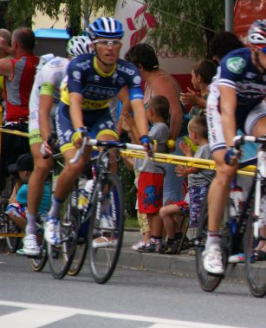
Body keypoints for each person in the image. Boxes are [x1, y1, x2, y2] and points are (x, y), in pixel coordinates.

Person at [44, 16, 153, 246]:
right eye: (104, 42)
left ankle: (103, 207)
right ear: (93, 46)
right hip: (70, 115)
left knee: (109, 152)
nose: (110, 48)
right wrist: (79, 130)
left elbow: (136, 106)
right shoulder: (79, 65)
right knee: (75, 163)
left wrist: (144, 137)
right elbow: (73, 102)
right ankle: (53, 215)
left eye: (115, 43)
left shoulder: (127, 71)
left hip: (100, 115)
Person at [201, 19, 266, 275]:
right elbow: (228, 110)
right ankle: (213, 242)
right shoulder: (235, 62)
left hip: (253, 107)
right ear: (254, 49)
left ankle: (264, 182)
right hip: (222, 109)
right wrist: (231, 147)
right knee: (227, 168)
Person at [20, 35, 92, 256]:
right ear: (70, 59)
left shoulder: (91, 73)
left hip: (66, 113)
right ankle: (30, 230)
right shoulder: (54, 71)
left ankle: (77, 196)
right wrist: (47, 138)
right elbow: (43, 111)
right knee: (42, 163)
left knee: (80, 159)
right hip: (41, 111)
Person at [125, 43, 186, 205]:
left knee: (169, 190)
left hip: (173, 142)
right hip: (160, 142)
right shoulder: (151, 82)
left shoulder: (161, 82)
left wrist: (169, 142)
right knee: (162, 190)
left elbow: (177, 113)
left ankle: (173, 231)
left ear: (140, 66)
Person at [159, 116, 213, 254]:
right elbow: (195, 165)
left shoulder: (206, 149)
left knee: (198, 218)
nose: (189, 136)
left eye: (189, 133)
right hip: (193, 193)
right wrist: (189, 154)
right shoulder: (202, 149)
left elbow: (196, 167)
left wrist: (186, 171)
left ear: (194, 134)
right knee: (164, 211)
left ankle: (201, 244)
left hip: (201, 192)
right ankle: (175, 239)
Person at [128, 96, 169, 252]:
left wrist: (133, 126)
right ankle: (153, 238)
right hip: (146, 171)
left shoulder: (160, 128)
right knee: (147, 208)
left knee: (153, 206)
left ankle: (156, 238)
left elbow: (144, 145)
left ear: (151, 111)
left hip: (153, 171)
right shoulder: (155, 128)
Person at [0, 28, 38, 192]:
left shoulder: (12, 65)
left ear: (15, 44)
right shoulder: (40, 63)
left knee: (6, 170)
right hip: (35, 127)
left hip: (14, 127)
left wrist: (6, 51)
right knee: (30, 172)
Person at [5, 154, 51, 245]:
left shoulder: (26, 188)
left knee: (11, 209)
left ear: (26, 173)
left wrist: (17, 184)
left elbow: (12, 202)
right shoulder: (48, 183)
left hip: (38, 216)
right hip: (48, 215)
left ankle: (35, 236)